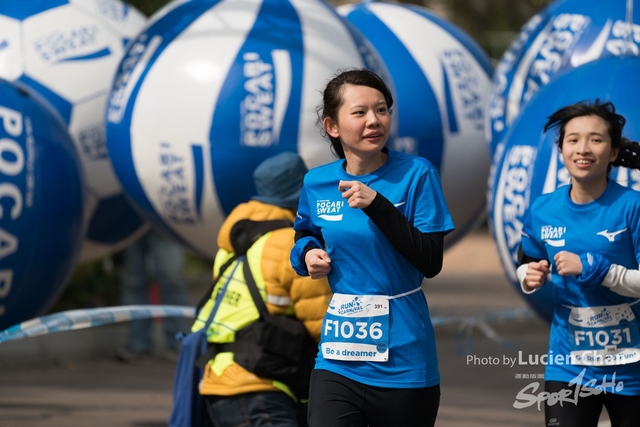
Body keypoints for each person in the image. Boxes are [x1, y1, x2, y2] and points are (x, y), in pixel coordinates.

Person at [289, 69, 455, 427]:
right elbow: (304, 234)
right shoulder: (317, 182)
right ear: (333, 126)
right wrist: (306, 255)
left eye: (382, 110)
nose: (374, 121)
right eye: (360, 112)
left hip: (405, 361)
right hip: (337, 356)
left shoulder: (417, 174)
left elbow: (431, 260)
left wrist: (377, 204)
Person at [518, 99, 640, 427]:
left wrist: (594, 269)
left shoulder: (633, 207)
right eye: (573, 140)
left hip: (633, 368)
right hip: (569, 366)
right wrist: (528, 275)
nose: (583, 149)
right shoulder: (542, 209)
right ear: (561, 150)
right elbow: (527, 258)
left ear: (613, 152)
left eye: (596, 139)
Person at [191, 152, 332, 427]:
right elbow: (323, 326)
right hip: (261, 387)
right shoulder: (290, 246)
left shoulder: (233, 245)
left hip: (219, 380)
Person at [116, 230, 189, 362]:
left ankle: (177, 342)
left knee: (171, 279)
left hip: (160, 218)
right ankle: (138, 344)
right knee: (134, 282)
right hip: (131, 220)